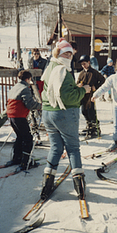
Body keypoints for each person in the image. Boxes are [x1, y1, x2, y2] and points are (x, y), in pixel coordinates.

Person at [40, 38, 91, 200]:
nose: (68, 56)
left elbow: (53, 90)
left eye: (70, 53)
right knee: (73, 148)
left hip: (48, 113)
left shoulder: (50, 67)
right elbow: (68, 97)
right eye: (65, 53)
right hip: (64, 113)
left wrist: (75, 88)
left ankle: (47, 184)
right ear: (58, 53)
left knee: (56, 148)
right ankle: (80, 187)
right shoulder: (62, 70)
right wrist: (84, 90)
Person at [6, 70, 42, 170]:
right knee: (27, 138)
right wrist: (40, 106)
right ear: (27, 79)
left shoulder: (15, 87)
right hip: (19, 116)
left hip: (11, 115)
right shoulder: (25, 88)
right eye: (30, 80)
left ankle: (17, 157)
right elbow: (29, 104)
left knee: (20, 136)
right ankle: (26, 162)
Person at [77, 54, 105, 137]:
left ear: (89, 62)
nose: (83, 66)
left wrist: (95, 87)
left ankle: (95, 128)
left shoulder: (94, 72)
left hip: (91, 96)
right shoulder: (81, 73)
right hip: (83, 96)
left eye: (85, 63)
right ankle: (89, 125)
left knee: (91, 111)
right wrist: (79, 85)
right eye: (82, 64)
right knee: (84, 111)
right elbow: (77, 82)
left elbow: (103, 80)